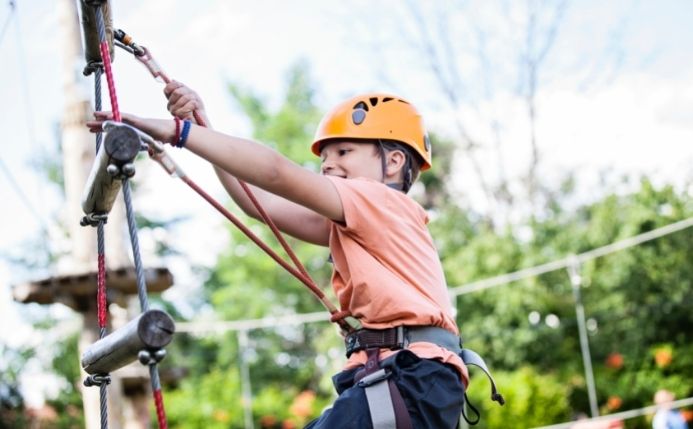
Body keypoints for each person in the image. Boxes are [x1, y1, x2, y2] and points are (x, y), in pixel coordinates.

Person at [88, 82, 469, 428]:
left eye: (344, 151)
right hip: (407, 379)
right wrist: (203, 129)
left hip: (413, 376)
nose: (328, 163)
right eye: (326, 155)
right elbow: (258, 203)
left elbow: (274, 173)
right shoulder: (357, 221)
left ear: (394, 162)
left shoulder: (378, 199)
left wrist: (179, 132)